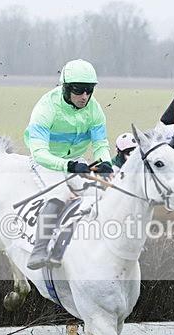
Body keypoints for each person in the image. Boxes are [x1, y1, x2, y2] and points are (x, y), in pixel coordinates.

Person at [24, 58, 112, 270]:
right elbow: (39, 152)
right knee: (61, 194)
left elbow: (100, 144)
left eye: (89, 90)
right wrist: (69, 166)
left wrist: (106, 163)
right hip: (46, 161)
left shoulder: (94, 109)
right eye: (79, 90)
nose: (85, 97)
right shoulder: (46, 107)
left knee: (98, 194)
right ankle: (39, 250)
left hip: (75, 160)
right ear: (65, 87)